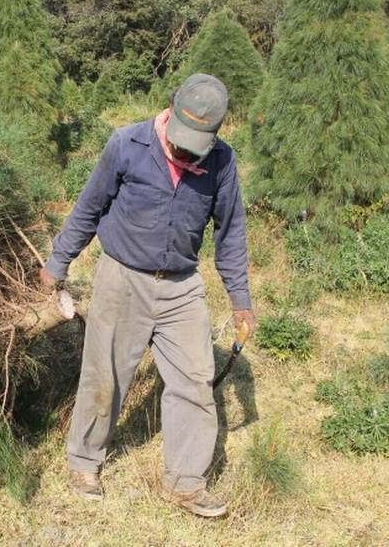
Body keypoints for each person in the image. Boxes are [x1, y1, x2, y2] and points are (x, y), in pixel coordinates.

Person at [40, 73, 255, 518]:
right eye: (181, 138)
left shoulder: (222, 163)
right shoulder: (127, 143)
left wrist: (240, 301)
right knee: (105, 375)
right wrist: (57, 264)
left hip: (181, 286)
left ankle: (186, 482)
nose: (183, 149)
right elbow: (88, 207)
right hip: (122, 278)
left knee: (196, 381)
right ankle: (84, 462)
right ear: (171, 107)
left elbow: (231, 233)